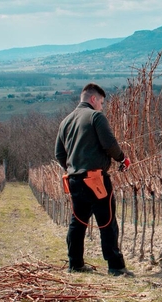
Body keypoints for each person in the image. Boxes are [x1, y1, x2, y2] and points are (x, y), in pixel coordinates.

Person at [55, 83, 133, 276]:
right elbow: (109, 143)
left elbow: (58, 154)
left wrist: (73, 167)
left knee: (78, 221)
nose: (102, 106)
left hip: (74, 180)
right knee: (107, 222)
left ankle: (75, 263)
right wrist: (122, 159)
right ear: (93, 99)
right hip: (96, 180)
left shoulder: (65, 121)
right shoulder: (95, 117)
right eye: (101, 102)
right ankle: (115, 266)